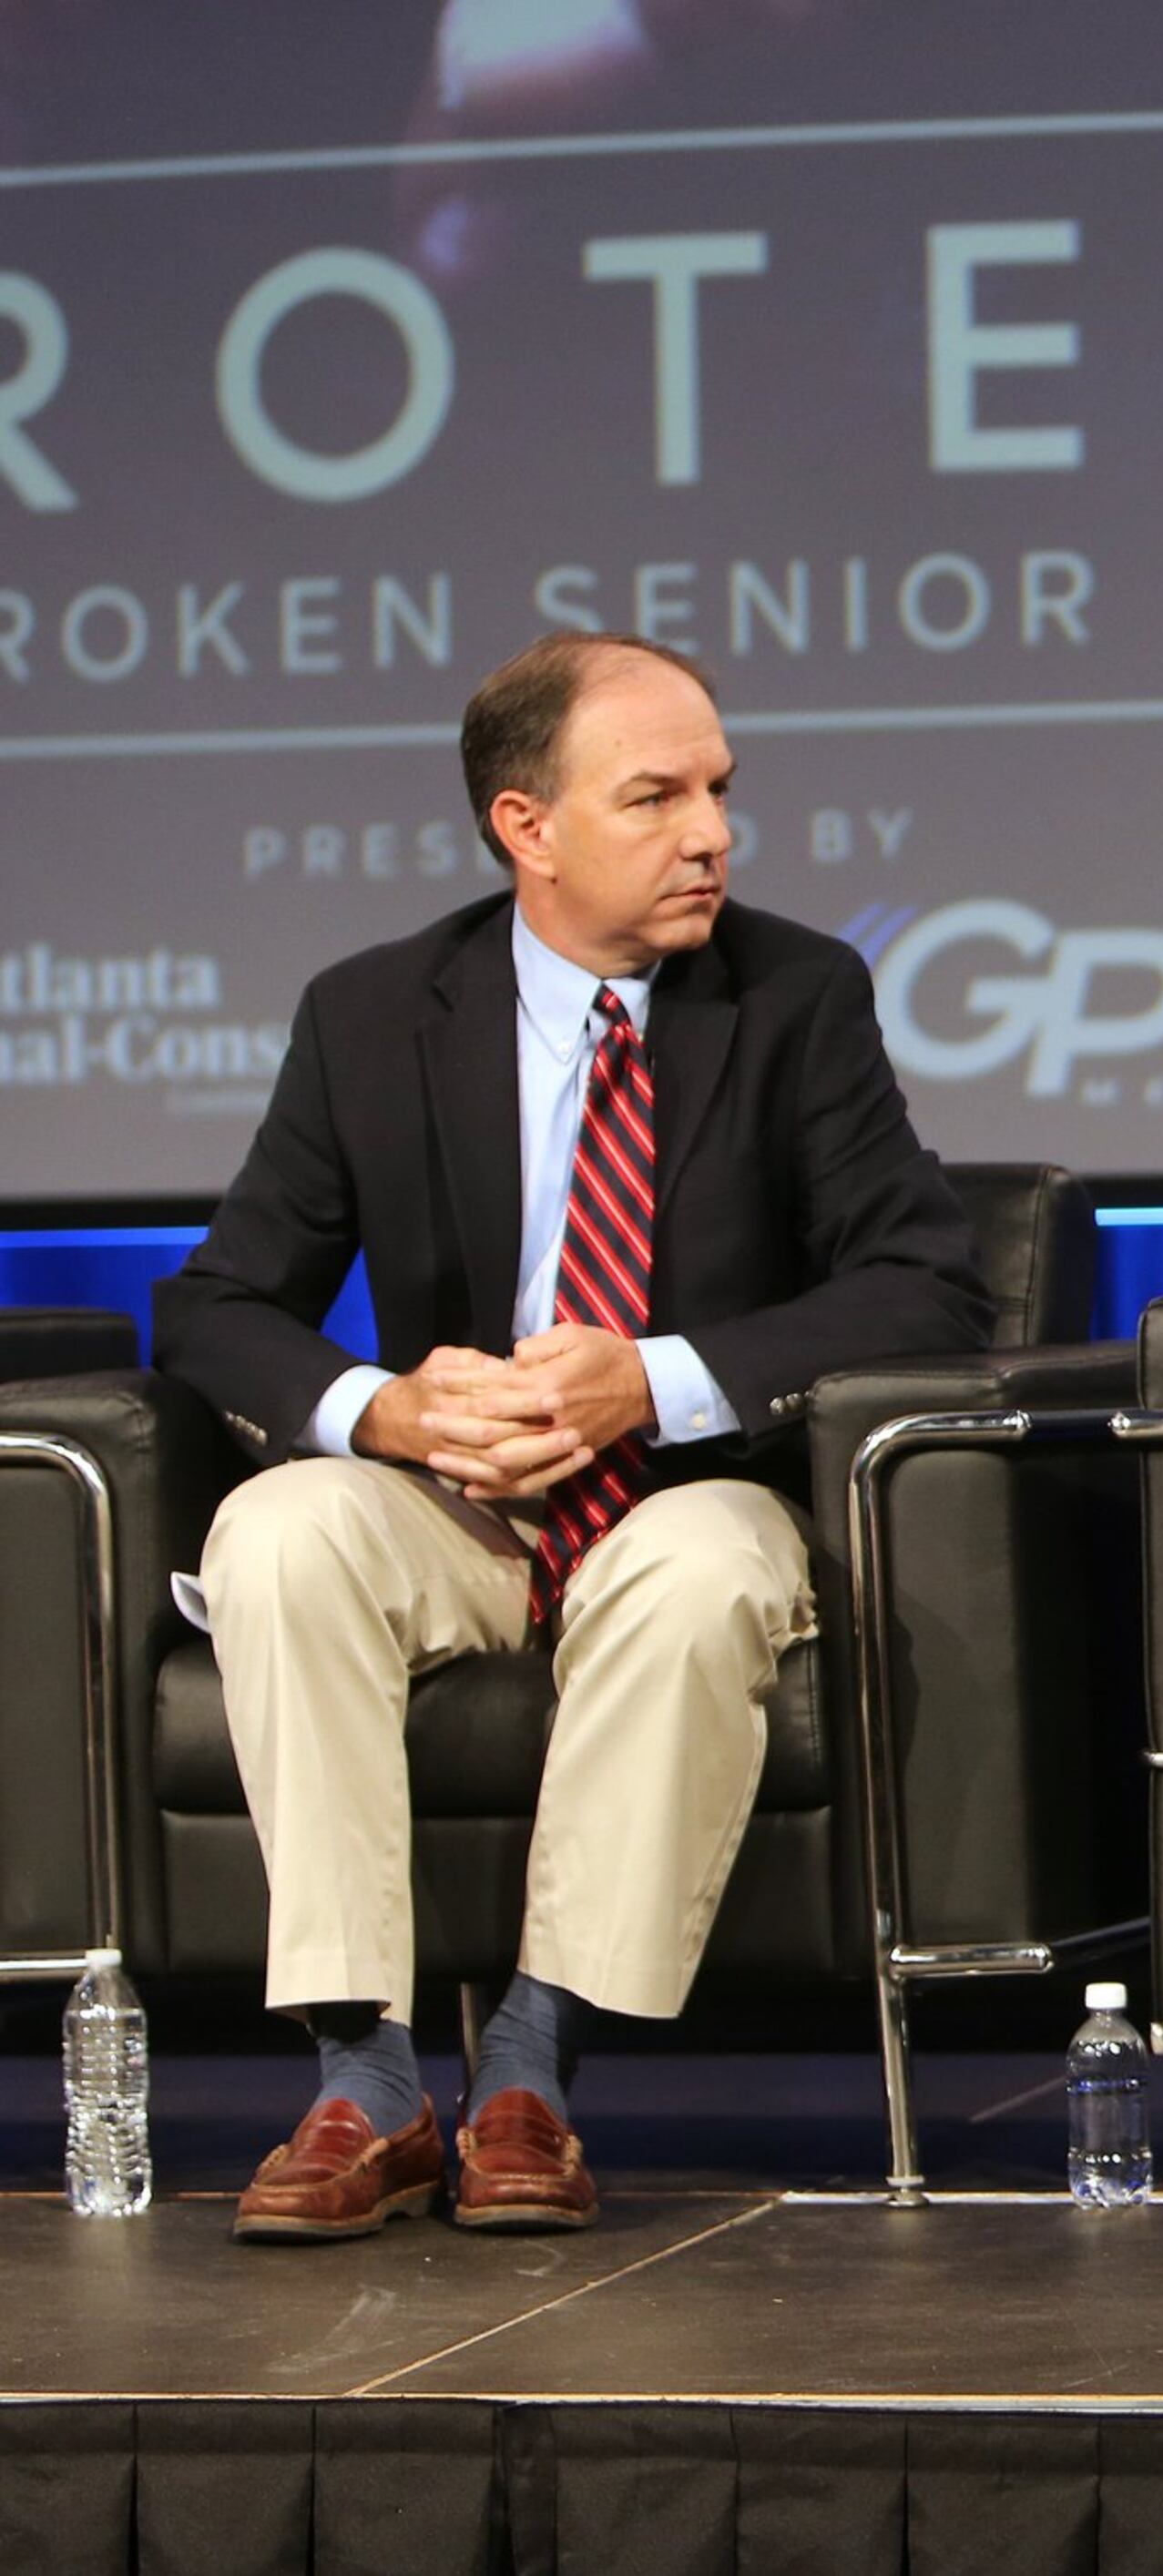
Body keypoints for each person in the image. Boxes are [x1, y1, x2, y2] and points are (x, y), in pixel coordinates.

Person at [155, 632, 989, 2242]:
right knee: (279, 1527)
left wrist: (656, 1379)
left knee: (692, 1579)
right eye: (657, 796)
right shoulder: (374, 1012)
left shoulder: (797, 993)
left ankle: (533, 2066)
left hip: (687, 1493)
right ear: (525, 827)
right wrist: (378, 1407)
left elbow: (926, 1286)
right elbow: (215, 1304)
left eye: (721, 790)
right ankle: (367, 2078)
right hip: (460, 1507)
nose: (712, 834)